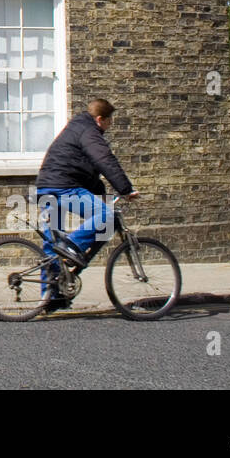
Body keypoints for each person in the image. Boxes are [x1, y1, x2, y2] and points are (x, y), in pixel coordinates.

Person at [34, 98, 139, 312]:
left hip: (46, 186)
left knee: (52, 245)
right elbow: (104, 160)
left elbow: (84, 168)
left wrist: (101, 191)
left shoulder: (77, 128)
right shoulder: (89, 132)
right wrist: (126, 189)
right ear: (100, 119)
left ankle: (51, 296)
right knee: (107, 217)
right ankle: (71, 245)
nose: (109, 127)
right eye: (109, 122)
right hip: (63, 187)